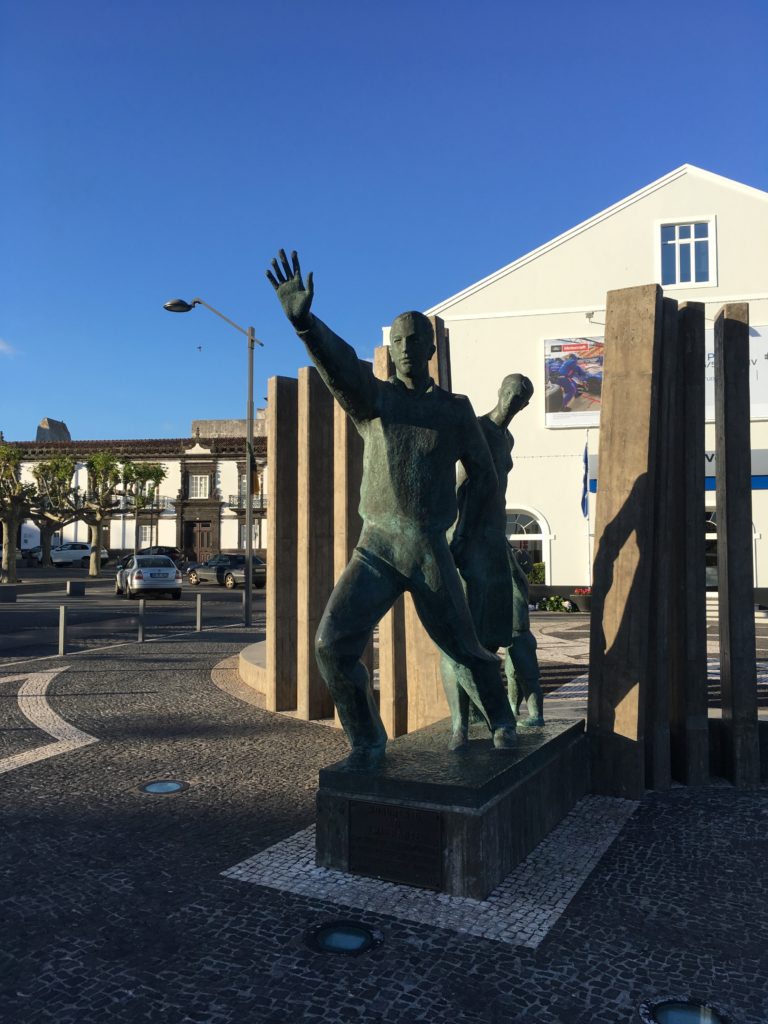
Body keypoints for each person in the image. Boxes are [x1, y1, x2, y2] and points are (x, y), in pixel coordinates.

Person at [267, 249, 516, 769]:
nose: (405, 348)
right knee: (331, 646)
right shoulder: (374, 400)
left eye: (413, 340)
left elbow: (484, 477)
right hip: (377, 548)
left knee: (466, 650)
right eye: (397, 341)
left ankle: (502, 721)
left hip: (428, 548)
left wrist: (465, 536)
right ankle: (367, 742)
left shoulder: (454, 410)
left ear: (429, 348)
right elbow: (339, 366)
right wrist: (306, 324)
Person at [441, 373, 544, 748]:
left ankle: (487, 715)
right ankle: (461, 725)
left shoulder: (507, 438)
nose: (513, 399)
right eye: (511, 392)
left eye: (521, 396)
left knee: (493, 633)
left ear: (525, 405)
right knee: (459, 634)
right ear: (500, 392)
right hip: (467, 536)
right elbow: (459, 486)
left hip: (493, 538)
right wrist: (458, 537)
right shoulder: (476, 429)